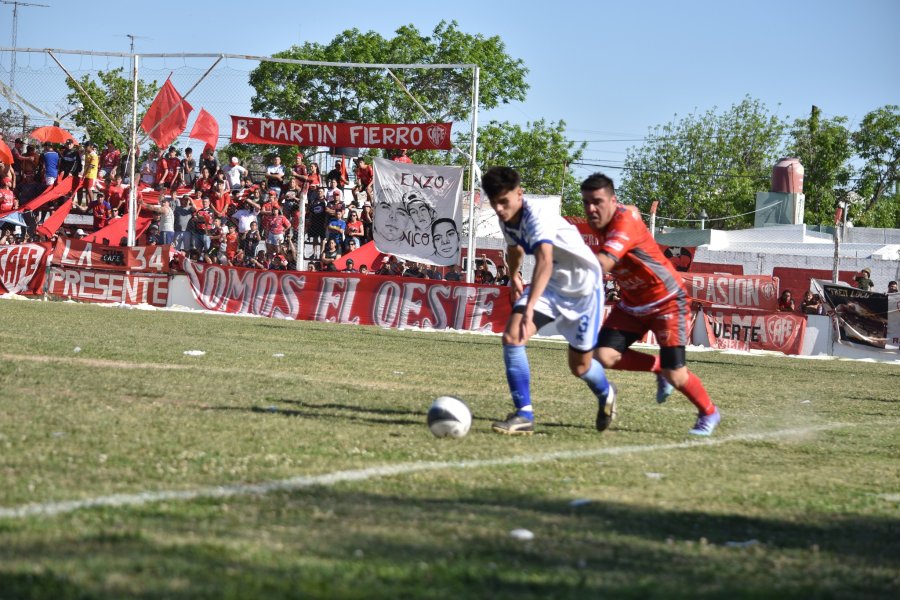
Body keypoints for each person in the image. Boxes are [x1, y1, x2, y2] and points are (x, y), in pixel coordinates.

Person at [581, 172, 721, 436]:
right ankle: (659, 368)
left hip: (667, 301)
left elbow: (604, 263)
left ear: (614, 201)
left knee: (677, 375)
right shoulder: (604, 220)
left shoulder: (624, 223)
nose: (590, 209)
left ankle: (709, 412)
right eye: (586, 202)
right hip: (633, 303)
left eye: (597, 201)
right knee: (603, 356)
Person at [482, 166, 615, 436]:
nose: (498, 208)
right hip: (552, 286)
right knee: (512, 337)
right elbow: (514, 248)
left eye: (504, 201)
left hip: (584, 289)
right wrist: (514, 275)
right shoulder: (506, 216)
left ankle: (606, 393)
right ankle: (524, 414)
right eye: (494, 202)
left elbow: (543, 259)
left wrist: (529, 307)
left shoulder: (537, 215)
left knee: (580, 367)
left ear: (520, 194)